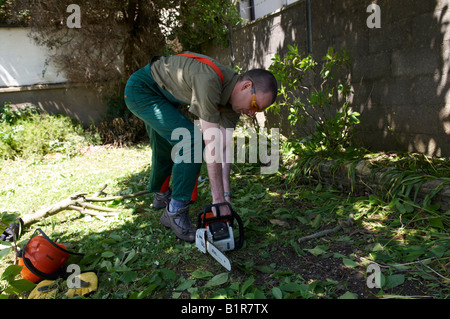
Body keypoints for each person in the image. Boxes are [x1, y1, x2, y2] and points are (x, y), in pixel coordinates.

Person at [124, 52, 278, 242]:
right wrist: (217, 200)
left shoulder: (233, 103)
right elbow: (210, 144)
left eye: (258, 110)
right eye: (254, 105)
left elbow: (222, 149)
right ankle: (175, 211)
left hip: (167, 96)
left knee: (166, 145)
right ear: (246, 86)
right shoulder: (210, 81)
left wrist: (226, 199)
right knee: (190, 140)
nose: (252, 113)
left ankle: (162, 195)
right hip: (143, 89)